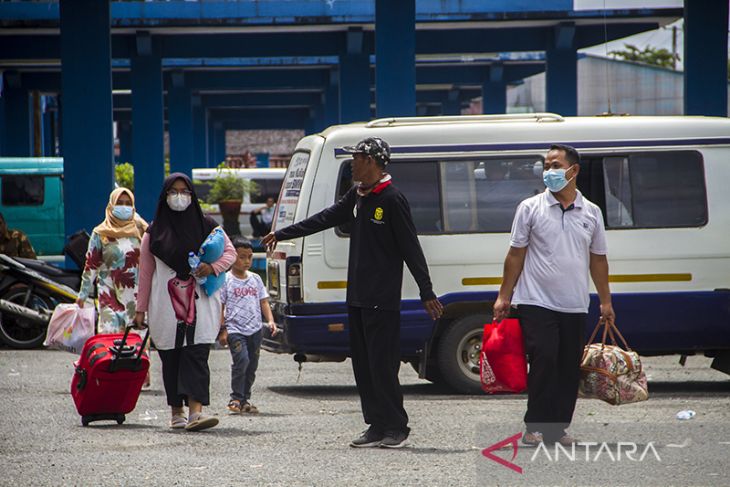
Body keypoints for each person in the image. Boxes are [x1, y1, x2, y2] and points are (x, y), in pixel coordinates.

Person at [263, 137, 443, 449]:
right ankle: (375, 425)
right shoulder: (358, 195)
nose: (353, 163)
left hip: (382, 299)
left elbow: (410, 248)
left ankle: (396, 427)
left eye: (357, 158)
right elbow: (325, 218)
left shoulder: (392, 199)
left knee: (382, 365)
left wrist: (426, 292)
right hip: (357, 296)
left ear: (373, 161)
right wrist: (282, 233)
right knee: (363, 365)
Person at [493, 144, 615, 447]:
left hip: (574, 303)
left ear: (573, 171)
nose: (549, 171)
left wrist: (605, 301)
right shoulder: (530, 208)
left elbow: (598, 259)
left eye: (555, 165)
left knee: (567, 365)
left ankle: (557, 428)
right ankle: (534, 425)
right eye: (546, 165)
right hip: (536, 301)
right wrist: (503, 296)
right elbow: (515, 255)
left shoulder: (591, 213)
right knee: (545, 358)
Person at [135, 173, 236, 432]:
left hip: (201, 304)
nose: (179, 197)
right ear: (164, 196)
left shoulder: (208, 226)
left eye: (184, 192)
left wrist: (211, 267)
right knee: (171, 358)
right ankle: (176, 412)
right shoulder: (153, 233)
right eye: (173, 192)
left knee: (197, 354)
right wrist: (140, 310)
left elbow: (231, 254)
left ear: (192, 195)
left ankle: (196, 413)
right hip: (165, 307)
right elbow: (146, 274)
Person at [217, 238, 277, 415]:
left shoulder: (255, 279)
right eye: (242, 257)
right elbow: (220, 306)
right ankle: (235, 397)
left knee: (252, 366)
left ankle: (245, 400)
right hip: (235, 330)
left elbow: (264, 301)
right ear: (231, 257)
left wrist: (271, 320)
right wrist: (222, 330)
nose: (247, 261)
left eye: (249, 257)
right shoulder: (226, 280)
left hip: (255, 329)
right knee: (241, 360)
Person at [76, 188, 148, 333]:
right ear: (111, 205)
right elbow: (91, 266)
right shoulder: (100, 233)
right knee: (110, 343)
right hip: (108, 296)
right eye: (119, 203)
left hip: (135, 299)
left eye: (128, 204)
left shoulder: (141, 230)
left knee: (136, 345)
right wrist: (82, 295)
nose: (124, 207)